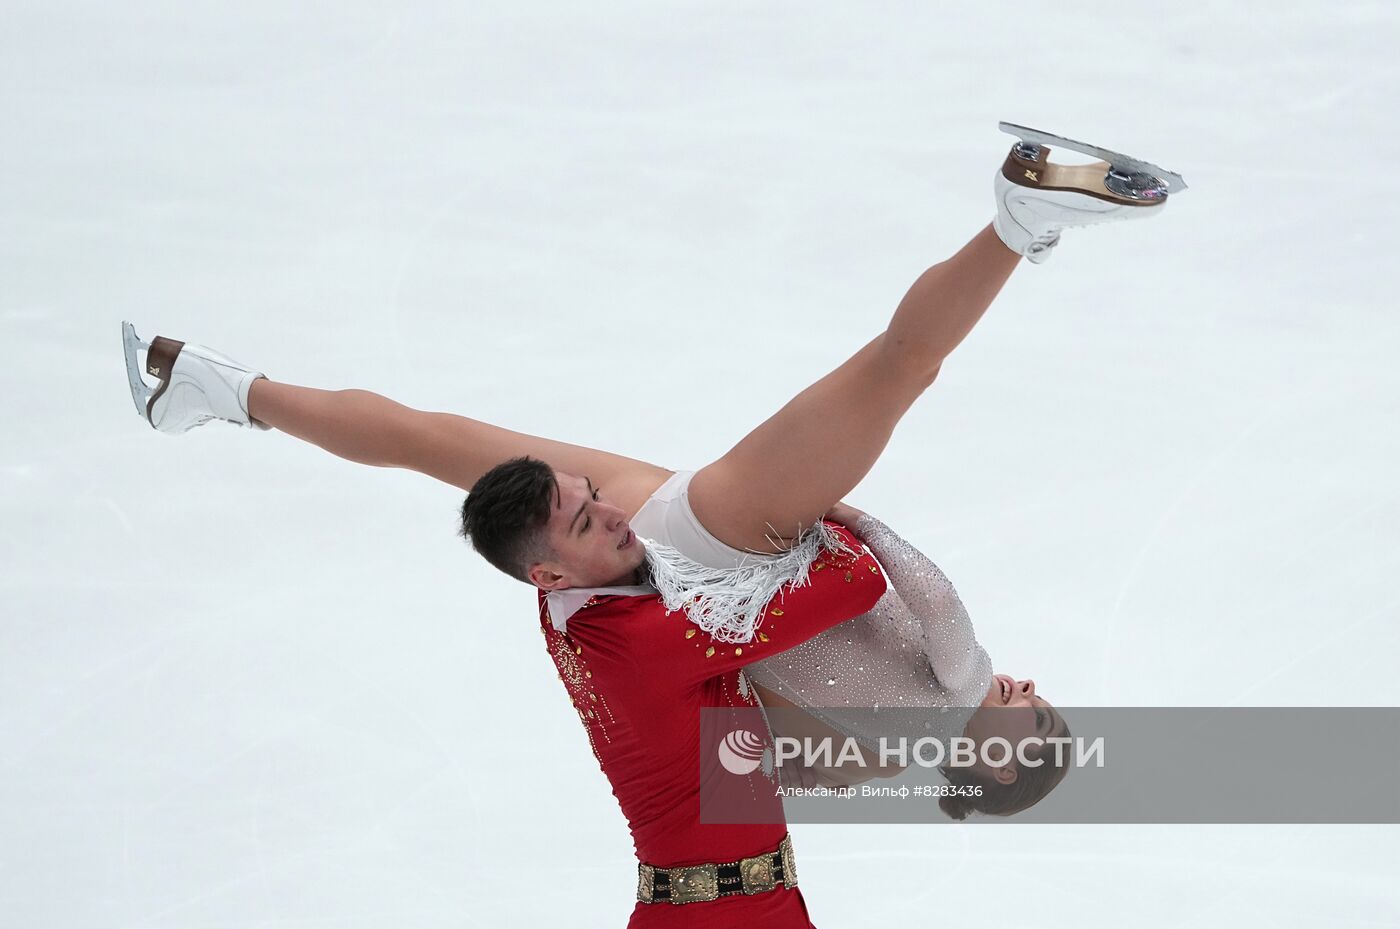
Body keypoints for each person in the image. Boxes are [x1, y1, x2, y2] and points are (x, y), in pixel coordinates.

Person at [121, 127, 1175, 925]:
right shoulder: (880, 760)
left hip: (734, 539)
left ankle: (1016, 217)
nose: (1031, 694)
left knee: (895, 368)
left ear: (984, 767)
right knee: (433, 442)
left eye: (1033, 727)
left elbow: (896, 576)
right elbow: (754, 738)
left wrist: (833, 512)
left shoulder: (955, 678)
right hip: (700, 561)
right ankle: (215, 389)